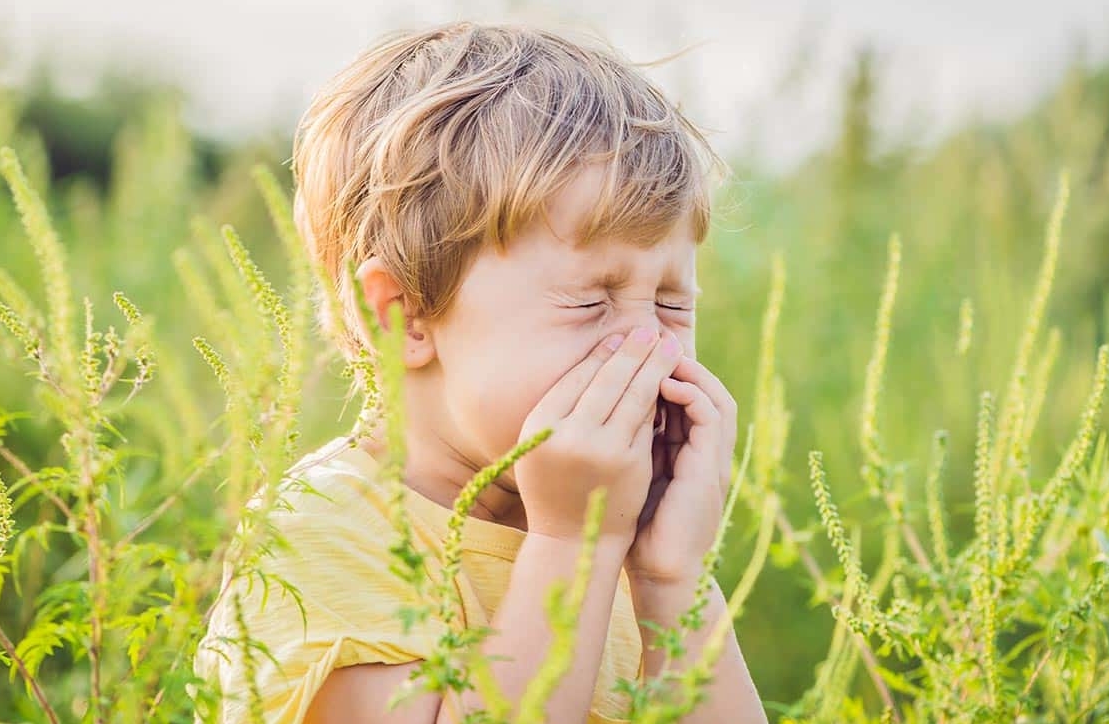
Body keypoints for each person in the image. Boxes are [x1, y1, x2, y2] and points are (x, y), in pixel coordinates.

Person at [194, 20, 767, 724]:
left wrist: (673, 578)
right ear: (402, 316)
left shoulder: (617, 535)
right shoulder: (320, 538)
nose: (651, 347)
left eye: (673, 304)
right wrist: (573, 547)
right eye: (591, 301)